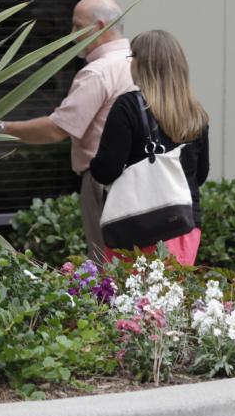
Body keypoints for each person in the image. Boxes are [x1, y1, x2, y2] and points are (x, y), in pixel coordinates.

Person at [0, 0, 133, 259]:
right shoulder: (138, 62)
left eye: (76, 27)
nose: (71, 36)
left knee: (106, 264)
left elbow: (57, 129)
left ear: (99, 26)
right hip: (140, 180)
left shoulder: (99, 72)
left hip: (103, 183)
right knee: (133, 264)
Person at [88, 30, 210, 265]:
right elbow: (200, 174)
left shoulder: (128, 106)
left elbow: (106, 170)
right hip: (184, 225)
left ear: (143, 64)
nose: (129, 63)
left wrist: (94, 161)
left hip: (138, 226)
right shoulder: (196, 114)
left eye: (132, 56)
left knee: (131, 298)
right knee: (172, 297)